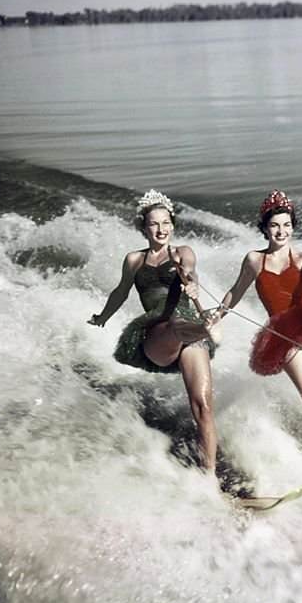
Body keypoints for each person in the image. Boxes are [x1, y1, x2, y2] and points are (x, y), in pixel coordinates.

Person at [89, 189, 221, 474]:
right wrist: (103, 316)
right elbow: (120, 292)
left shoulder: (183, 253)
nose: (161, 229)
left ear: (172, 225)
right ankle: (204, 327)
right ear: (144, 228)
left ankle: (208, 477)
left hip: (189, 331)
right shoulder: (134, 260)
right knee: (175, 324)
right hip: (157, 332)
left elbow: (190, 273)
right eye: (154, 224)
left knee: (203, 407)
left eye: (166, 223)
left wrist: (191, 283)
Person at [212, 190, 302, 468]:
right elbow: (236, 291)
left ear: (293, 227)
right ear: (264, 228)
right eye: (274, 225)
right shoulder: (254, 260)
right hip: (285, 337)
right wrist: (218, 314)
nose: (281, 231)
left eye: (286, 225)